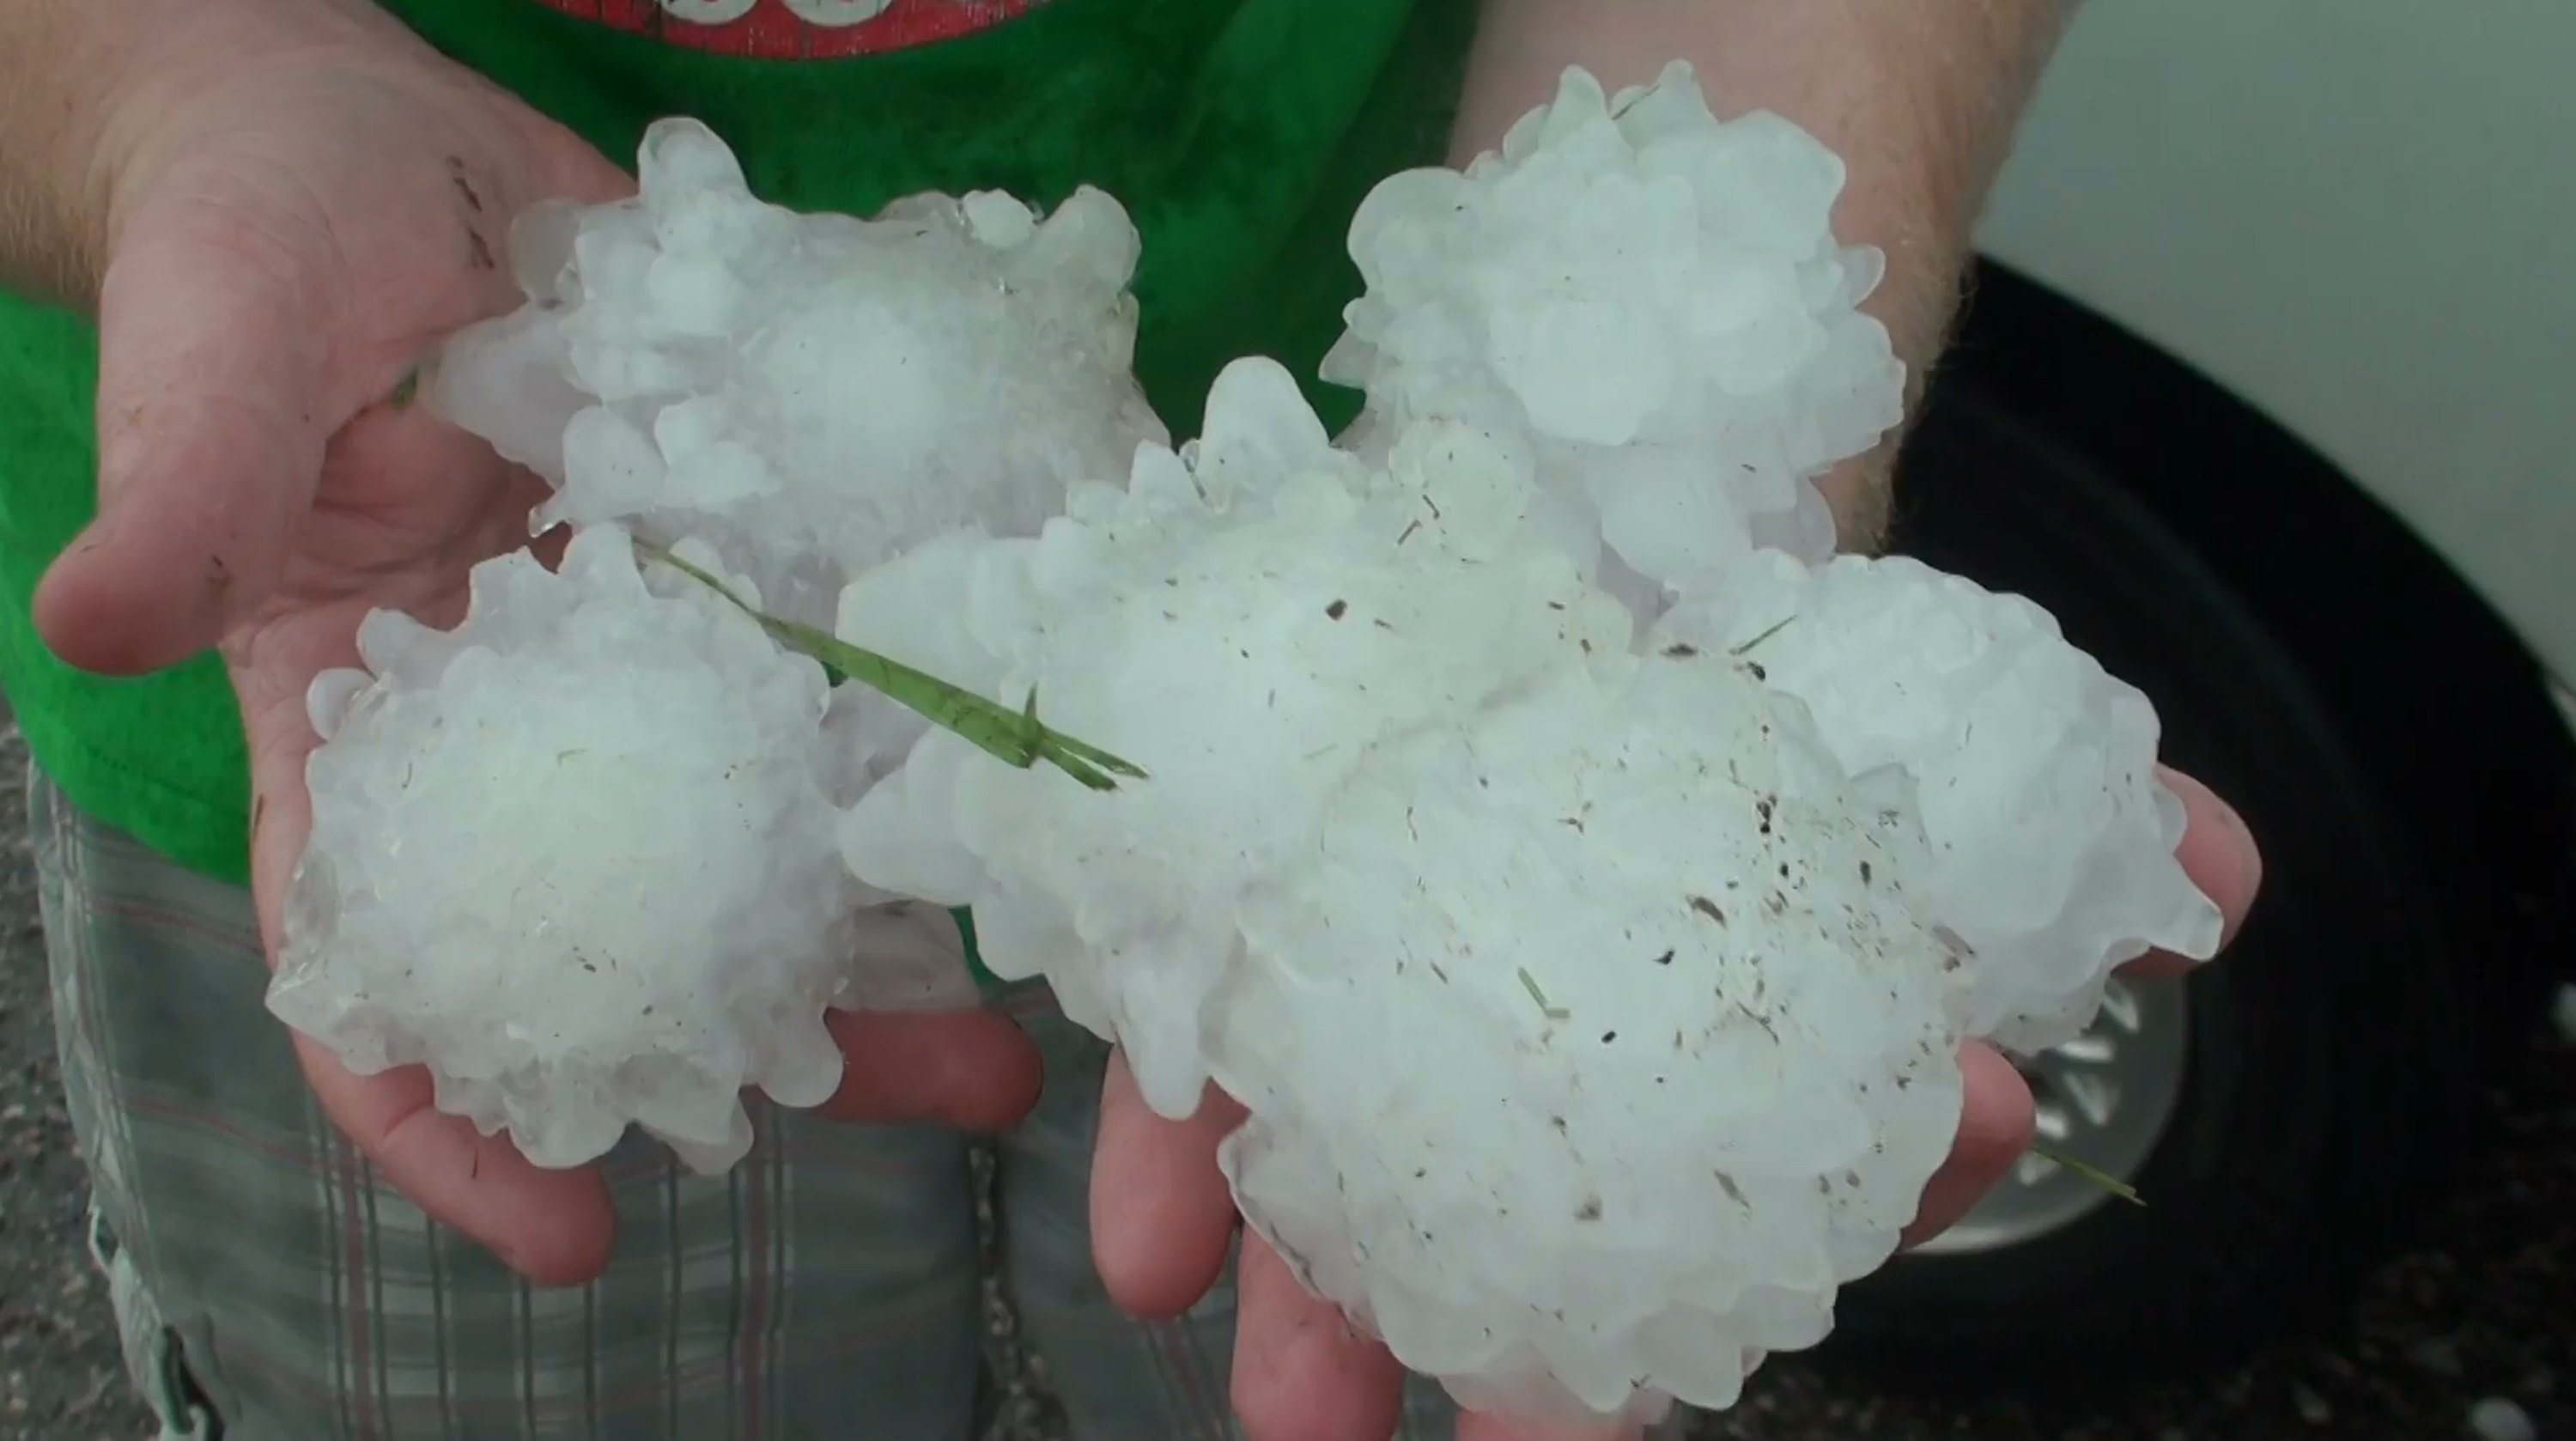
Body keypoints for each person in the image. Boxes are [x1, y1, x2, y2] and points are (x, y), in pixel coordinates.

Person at [0, 1, 2265, 1438]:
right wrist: (137, 86)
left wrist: (1654, 443)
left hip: (1345, 585)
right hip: (400, 539)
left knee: (1325, 1348)